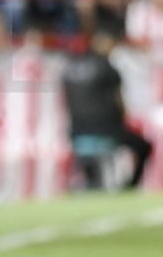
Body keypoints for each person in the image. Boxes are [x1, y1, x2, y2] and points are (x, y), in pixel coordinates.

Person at [61, 26, 152, 189]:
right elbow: (119, 102)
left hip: (75, 130)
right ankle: (131, 186)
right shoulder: (108, 68)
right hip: (106, 128)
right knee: (144, 146)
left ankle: (91, 181)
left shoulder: (70, 67)